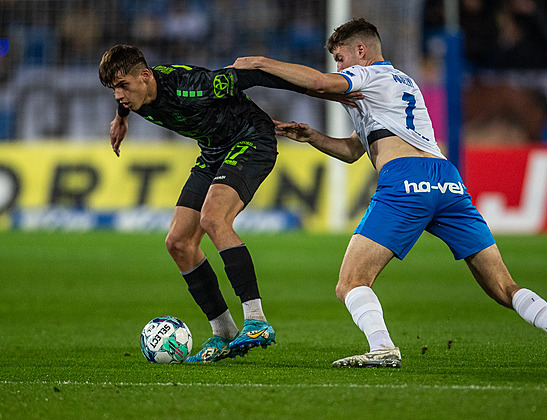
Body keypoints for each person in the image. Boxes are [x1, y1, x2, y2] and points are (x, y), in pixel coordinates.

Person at [230, 18, 547, 368]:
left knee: (351, 283)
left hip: (406, 180)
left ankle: (382, 347)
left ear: (361, 51)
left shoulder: (369, 75)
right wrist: (312, 136)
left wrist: (262, 64)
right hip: (447, 180)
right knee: (503, 287)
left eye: (341, 58)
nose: (340, 67)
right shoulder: (399, 84)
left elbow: (319, 84)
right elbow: (352, 152)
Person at [98, 45, 357, 363]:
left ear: (145, 76)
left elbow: (258, 75)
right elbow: (124, 99)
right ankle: (223, 332)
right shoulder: (134, 96)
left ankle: (257, 321)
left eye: (122, 86)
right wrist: (120, 119)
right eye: (114, 90)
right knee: (179, 242)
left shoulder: (193, 87)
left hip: (251, 140)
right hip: (212, 151)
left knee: (214, 218)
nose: (119, 96)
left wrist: (327, 92)